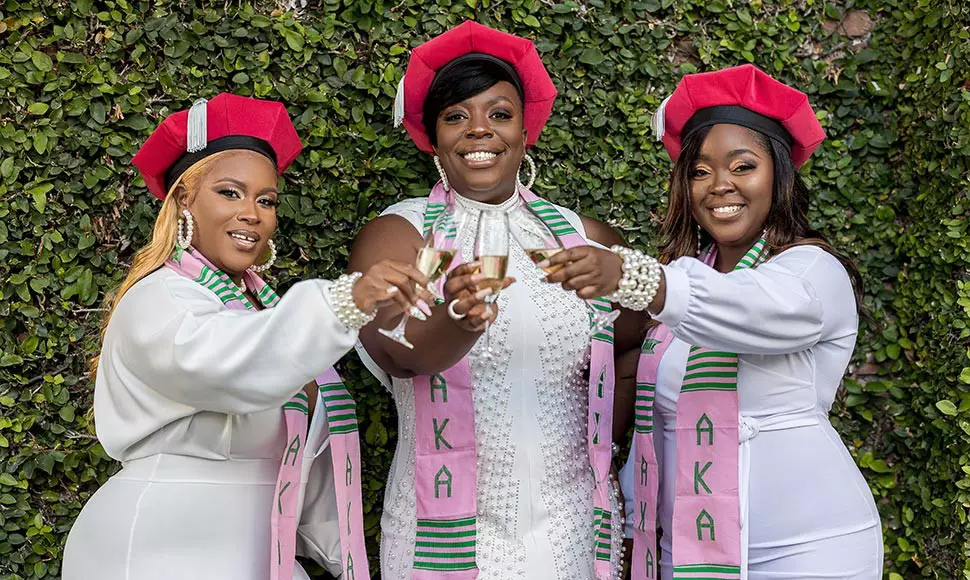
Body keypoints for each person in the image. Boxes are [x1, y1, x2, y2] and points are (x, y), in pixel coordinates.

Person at [63, 93, 430, 580]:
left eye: (267, 199)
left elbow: (306, 446)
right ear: (184, 200)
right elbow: (235, 362)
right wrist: (346, 299)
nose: (252, 213)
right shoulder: (160, 298)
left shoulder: (263, 308)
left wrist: (342, 556)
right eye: (230, 193)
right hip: (161, 543)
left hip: (261, 550)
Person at [561, 64, 882, 579]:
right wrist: (626, 528)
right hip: (688, 551)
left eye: (743, 166)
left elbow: (753, 310)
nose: (720, 186)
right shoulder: (678, 299)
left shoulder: (810, 272)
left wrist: (638, 279)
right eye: (700, 171)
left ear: (778, 175)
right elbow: (659, 428)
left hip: (808, 548)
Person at [348, 21, 644, 580]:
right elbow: (397, 351)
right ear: (432, 137)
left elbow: (637, 340)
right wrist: (458, 317)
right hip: (445, 528)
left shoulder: (582, 237)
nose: (479, 130)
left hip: (572, 523)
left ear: (525, 130)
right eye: (456, 116)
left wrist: (604, 443)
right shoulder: (402, 233)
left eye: (499, 114)